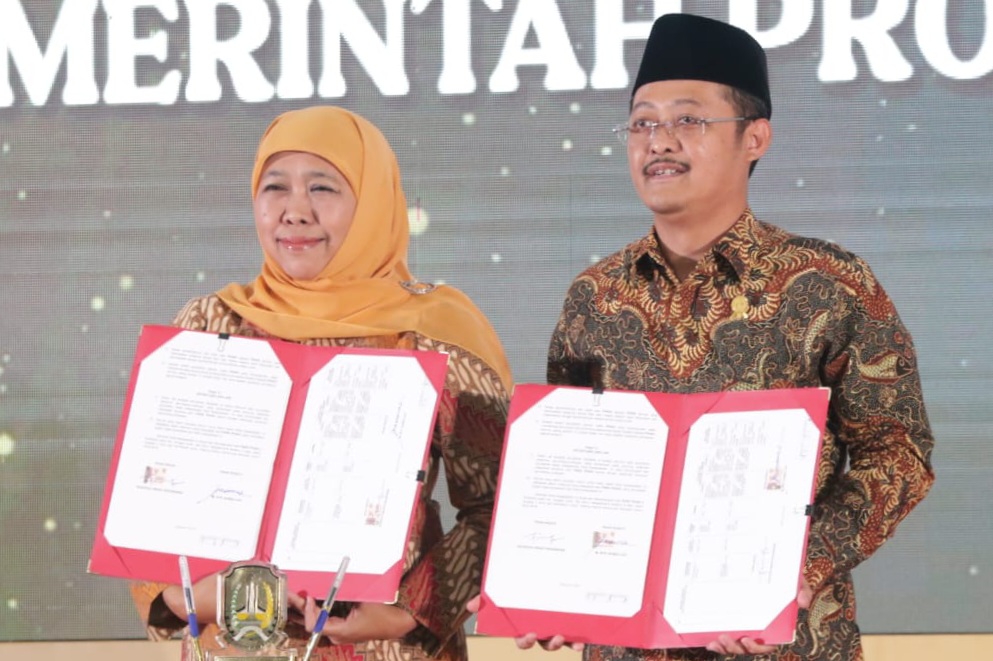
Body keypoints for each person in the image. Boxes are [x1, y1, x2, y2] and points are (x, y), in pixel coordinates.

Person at [506, 12, 933, 661]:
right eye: (642, 122)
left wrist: (794, 567)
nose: (658, 141)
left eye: (688, 119)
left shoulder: (826, 283)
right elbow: (572, 466)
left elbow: (898, 453)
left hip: (781, 641)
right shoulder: (593, 298)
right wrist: (554, 584)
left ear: (754, 136)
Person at [129, 105, 512, 661]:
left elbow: (499, 508)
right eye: (275, 187)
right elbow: (150, 491)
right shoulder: (211, 324)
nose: (295, 211)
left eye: (323, 188)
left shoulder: (434, 332)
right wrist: (174, 592)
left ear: (373, 201)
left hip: (386, 649)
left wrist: (409, 608)